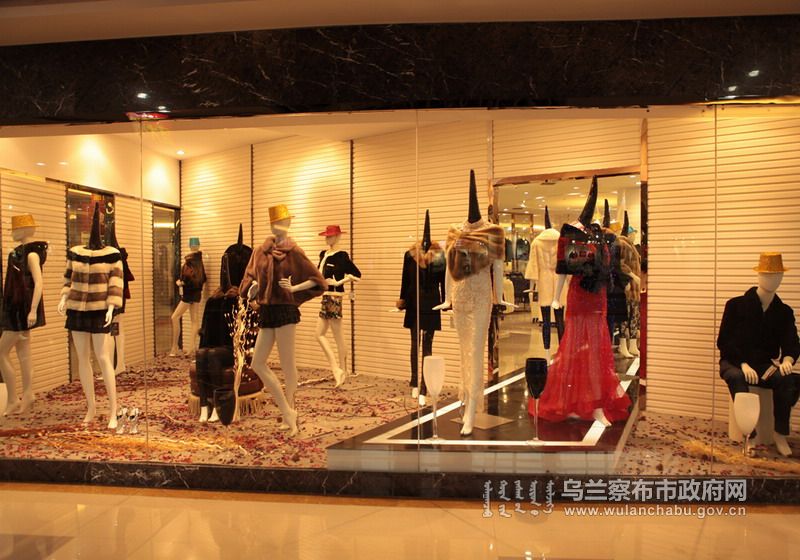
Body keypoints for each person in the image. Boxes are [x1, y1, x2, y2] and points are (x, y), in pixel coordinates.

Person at [240, 204, 325, 436]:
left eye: (282, 222)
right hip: (267, 312)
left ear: (288, 223)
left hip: (286, 310)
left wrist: (294, 288)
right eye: (274, 222)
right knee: (258, 363)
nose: (278, 226)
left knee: (288, 365)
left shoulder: (294, 251)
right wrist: (252, 288)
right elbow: (248, 277)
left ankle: (291, 413)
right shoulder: (260, 251)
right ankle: (288, 411)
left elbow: (317, 280)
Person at [717, 252, 800, 457]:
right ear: (759, 276)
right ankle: (750, 435)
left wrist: (788, 359)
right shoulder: (735, 305)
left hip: (763, 364)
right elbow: (724, 341)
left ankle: (780, 434)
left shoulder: (783, 312)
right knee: (736, 377)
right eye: (768, 275)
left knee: (787, 379)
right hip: (734, 361)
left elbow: (791, 342)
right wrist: (742, 363)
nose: (773, 280)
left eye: (777, 275)